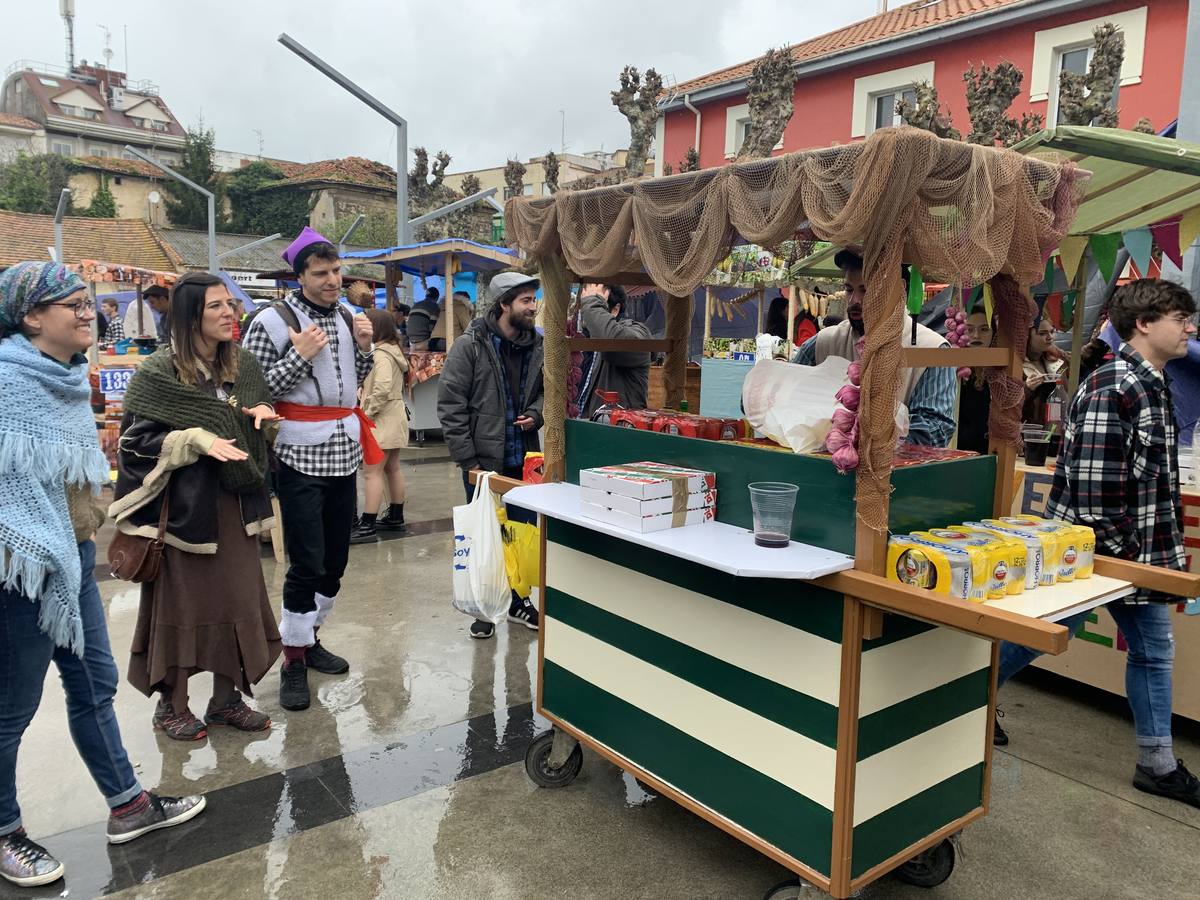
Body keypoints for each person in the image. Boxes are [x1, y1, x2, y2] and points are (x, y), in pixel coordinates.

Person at [0, 262, 205, 887]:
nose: (89, 312)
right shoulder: (8, 383)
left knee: (94, 686)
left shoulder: (62, 379)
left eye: (89, 302)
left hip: (72, 560)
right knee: (12, 708)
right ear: (32, 317)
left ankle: (129, 806)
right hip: (23, 569)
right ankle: (4, 830)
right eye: (73, 304)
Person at [994, 279, 1200, 808]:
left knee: (1144, 649)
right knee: (1058, 634)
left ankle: (1157, 762)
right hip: (1102, 552)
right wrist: (1123, 558)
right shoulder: (1117, 384)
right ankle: (964, 695)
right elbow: (1093, 486)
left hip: (1122, 552)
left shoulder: (1151, 381)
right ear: (1145, 323)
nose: (1191, 329)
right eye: (1181, 318)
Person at [110, 272, 283, 741]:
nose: (231, 313)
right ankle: (173, 705)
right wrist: (193, 439)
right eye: (216, 307)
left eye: (231, 304)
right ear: (189, 316)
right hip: (185, 516)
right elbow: (133, 443)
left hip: (238, 507)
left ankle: (227, 700)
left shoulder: (243, 366)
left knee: (239, 601)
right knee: (184, 608)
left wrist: (262, 418)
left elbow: (249, 414)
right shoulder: (158, 373)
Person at [242, 226, 378, 712]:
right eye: (320, 273)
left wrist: (364, 349)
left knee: (336, 562)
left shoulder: (346, 316)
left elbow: (356, 382)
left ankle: (308, 636)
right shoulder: (270, 321)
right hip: (298, 454)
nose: (332, 281)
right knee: (306, 561)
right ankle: (292, 660)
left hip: (344, 450)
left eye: (337, 271)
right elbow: (250, 393)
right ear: (299, 276)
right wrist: (299, 356)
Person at [437, 271, 544, 638]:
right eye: (525, 300)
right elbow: (450, 405)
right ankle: (483, 607)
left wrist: (538, 414)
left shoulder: (539, 346)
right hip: (482, 462)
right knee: (485, 535)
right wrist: (469, 462)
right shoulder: (471, 346)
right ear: (503, 304)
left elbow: (551, 391)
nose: (533, 307)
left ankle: (518, 601)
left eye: (534, 299)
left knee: (520, 535)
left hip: (525, 458)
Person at [792, 249, 956, 447]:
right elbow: (786, 398)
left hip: (898, 475)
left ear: (900, 290)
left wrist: (867, 429)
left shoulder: (932, 349)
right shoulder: (823, 344)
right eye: (850, 290)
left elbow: (936, 431)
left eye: (866, 290)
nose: (854, 301)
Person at [350, 308, 411, 544]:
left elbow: (382, 387)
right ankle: (395, 516)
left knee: (371, 472)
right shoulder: (394, 351)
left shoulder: (381, 354)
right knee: (392, 467)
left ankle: (367, 523)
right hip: (394, 416)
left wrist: (367, 412)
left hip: (381, 418)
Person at [576, 283, 651, 417]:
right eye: (584, 303)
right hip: (585, 429)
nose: (585, 312)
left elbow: (610, 341)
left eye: (594, 304)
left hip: (618, 430)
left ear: (615, 309)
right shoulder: (584, 340)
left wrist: (592, 304)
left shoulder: (637, 333)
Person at [955, 309, 994, 455]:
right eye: (969, 329)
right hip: (959, 453)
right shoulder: (956, 370)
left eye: (984, 329)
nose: (976, 335)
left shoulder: (1001, 372)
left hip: (992, 452)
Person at [1022, 316, 1067, 423]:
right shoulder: (1013, 363)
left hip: (1056, 427)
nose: (1050, 337)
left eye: (1052, 331)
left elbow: (1082, 359)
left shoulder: (1057, 357)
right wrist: (1027, 388)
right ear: (1026, 336)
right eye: (1042, 333)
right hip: (1028, 432)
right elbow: (1005, 402)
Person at [407, 286, 441, 351]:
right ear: (437, 298)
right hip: (423, 341)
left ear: (426, 295)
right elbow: (432, 327)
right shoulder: (435, 306)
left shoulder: (415, 305)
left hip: (411, 341)